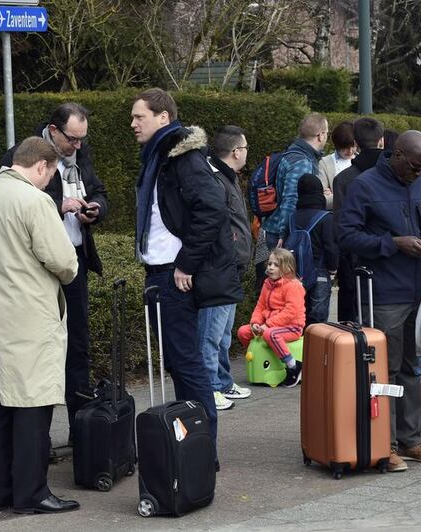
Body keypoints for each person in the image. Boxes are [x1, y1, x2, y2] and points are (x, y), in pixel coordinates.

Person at [0, 137, 80, 514]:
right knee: (33, 405)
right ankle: (32, 494)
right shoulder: (34, 200)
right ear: (42, 166)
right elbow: (64, 262)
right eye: (50, 176)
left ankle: (1, 493)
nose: (50, 183)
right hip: (28, 316)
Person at [131, 88, 240, 457]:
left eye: (139, 116)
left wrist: (185, 264)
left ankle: (200, 451)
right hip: (160, 272)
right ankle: (191, 446)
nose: (133, 123)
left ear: (163, 117)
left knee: (187, 363)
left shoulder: (183, 156)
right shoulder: (161, 156)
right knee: (181, 362)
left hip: (172, 275)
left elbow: (212, 210)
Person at [338, 130, 421, 473]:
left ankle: (411, 440)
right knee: (384, 370)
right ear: (396, 155)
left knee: (412, 367)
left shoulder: (418, 181)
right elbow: (345, 235)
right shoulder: (365, 186)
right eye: (415, 167)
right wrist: (393, 243)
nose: (419, 173)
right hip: (384, 292)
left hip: (418, 288)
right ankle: (383, 444)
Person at [1, 103, 108, 443]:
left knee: (78, 345)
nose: (78, 146)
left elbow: (99, 190)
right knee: (37, 351)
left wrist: (95, 209)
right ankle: (37, 439)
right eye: (72, 139)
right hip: (36, 267)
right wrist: (58, 204)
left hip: (73, 260)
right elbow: (15, 201)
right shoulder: (22, 155)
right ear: (54, 130)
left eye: (82, 140)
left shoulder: (81, 153)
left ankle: (80, 430)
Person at [201, 125, 254, 411]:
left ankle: (222, 381)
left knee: (222, 334)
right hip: (220, 268)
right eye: (245, 148)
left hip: (231, 267)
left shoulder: (228, 177)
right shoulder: (217, 179)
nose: (247, 153)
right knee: (211, 333)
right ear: (236, 152)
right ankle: (209, 387)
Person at [332, 117, 384, 323]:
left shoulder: (344, 179)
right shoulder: (394, 174)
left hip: (353, 262)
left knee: (351, 322)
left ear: (356, 143)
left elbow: (339, 227)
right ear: (381, 140)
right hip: (390, 258)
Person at [237, 248, 306, 387]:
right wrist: (255, 323)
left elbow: (290, 312)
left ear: (287, 267)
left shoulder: (293, 286)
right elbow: (260, 306)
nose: (271, 267)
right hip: (270, 325)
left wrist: (268, 325)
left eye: (276, 265)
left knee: (270, 334)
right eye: (270, 264)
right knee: (243, 331)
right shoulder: (267, 284)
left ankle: (293, 366)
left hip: (292, 327)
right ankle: (260, 357)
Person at [263, 113, 329, 249]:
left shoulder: (291, 154)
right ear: (321, 135)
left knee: (264, 269)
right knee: (274, 270)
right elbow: (292, 198)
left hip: (268, 228)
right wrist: (284, 235)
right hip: (279, 235)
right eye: (327, 133)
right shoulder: (302, 162)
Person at [292, 173, 338, 324]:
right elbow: (330, 247)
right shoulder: (326, 218)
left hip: (295, 274)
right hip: (320, 272)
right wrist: (333, 268)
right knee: (318, 320)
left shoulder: (293, 217)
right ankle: (315, 347)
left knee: (298, 315)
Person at [317, 120, 355, 209]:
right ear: (337, 145)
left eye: (353, 146)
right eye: (345, 147)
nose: (350, 151)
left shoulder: (362, 159)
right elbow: (321, 199)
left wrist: (336, 196)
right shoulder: (325, 163)